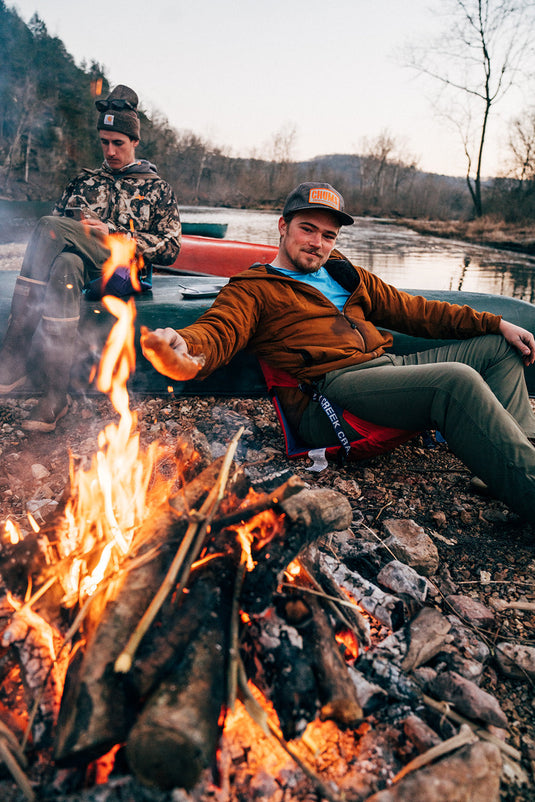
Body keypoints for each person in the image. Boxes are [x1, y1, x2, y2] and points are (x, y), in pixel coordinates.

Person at [141, 181, 535, 527]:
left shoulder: (345, 272)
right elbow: (220, 328)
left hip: (386, 370)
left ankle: (512, 463)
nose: (318, 243)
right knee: (455, 381)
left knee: (499, 348)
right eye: (307, 229)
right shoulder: (254, 286)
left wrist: (495, 322)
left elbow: (415, 310)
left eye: (328, 235)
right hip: (333, 392)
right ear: (283, 227)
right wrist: (188, 346)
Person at [0, 84, 181, 432]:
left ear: (135, 143)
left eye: (119, 143)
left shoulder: (157, 188)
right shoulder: (84, 181)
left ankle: (16, 347)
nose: (110, 151)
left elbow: (171, 248)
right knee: (66, 264)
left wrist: (113, 234)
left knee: (48, 225)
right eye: (104, 142)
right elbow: (50, 241)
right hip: (85, 274)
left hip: (127, 272)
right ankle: (56, 397)